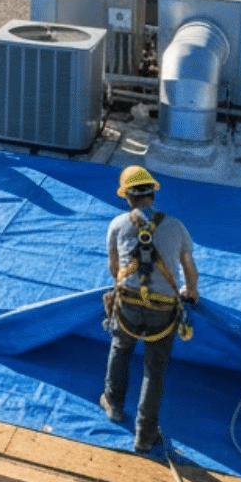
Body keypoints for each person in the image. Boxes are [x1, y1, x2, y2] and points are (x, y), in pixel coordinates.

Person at [99, 165, 198, 454]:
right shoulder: (176, 226)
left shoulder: (117, 225)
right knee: (154, 370)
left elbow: (114, 268)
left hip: (128, 303)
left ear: (127, 198)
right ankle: (145, 433)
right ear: (152, 196)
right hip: (163, 309)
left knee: (120, 347)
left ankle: (114, 405)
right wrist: (191, 292)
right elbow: (189, 268)